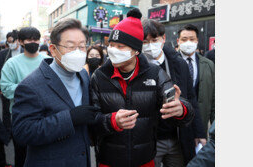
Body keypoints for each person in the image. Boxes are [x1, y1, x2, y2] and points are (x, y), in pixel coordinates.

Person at [90, 8, 194, 167]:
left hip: (145, 160)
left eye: (120, 46)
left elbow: (182, 107)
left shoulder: (155, 74)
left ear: (136, 51)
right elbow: (91, 121)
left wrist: (181, 109)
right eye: (111, 45)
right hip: (108, 160)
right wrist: (111, 121)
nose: (113, 50)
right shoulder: (99, 76)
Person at [11, 18, 104, 167]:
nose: (78, 52)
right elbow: (23, 132)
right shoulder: (30, 85)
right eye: (70, 46)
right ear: (53, 49)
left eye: (82, 46)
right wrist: (70, 118)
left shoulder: (83, 75)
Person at [142, 19, 206, 166]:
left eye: (154, 40)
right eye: (145, 42)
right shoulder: (137, 66)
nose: (150, 45)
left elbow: (191, 99)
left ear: (163, 38)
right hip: (150, 140)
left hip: (177, 136)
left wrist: (199, 132)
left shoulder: (178, 64)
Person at [0, 27, 49, 167]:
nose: (33, 42)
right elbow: (6, 89)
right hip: (21, 118)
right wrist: (32, 90)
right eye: (29, 39)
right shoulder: (12, 64)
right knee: (22, 157)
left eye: (36, 39)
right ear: (21, 42)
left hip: (46, 117)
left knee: (45, 156)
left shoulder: (49, 61)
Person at [176, 24, 215, 138]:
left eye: (192, 39)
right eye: (184, 39)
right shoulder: (171, 63)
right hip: (178, 126)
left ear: (197, 41)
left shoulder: (208, 65)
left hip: (201, 123)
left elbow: (213, 97)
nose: (188, 42)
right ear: (178, 41)